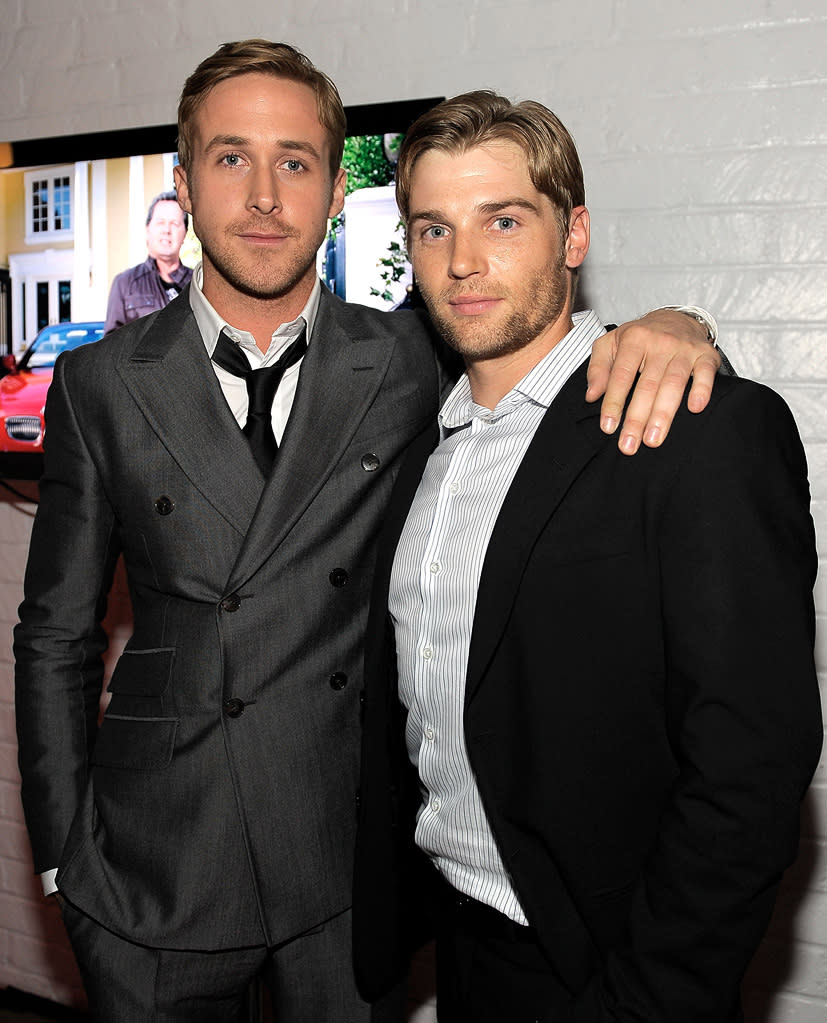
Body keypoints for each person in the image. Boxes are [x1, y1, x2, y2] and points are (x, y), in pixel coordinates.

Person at [15, 40, 720, 1023]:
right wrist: (61, 865)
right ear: (183, 181)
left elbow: (536, 338)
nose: (264, 197)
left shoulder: (407, 355)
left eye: (295, 162)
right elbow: (55, 638)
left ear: (337, 196)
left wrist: (676, 321)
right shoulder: (99, 383)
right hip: (152, 867)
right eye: (230, 158)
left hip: (342, 868)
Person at [352, 91, 822, 1022]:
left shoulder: (696, 429)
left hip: (604, 970)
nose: (465, 262)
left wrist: (654, 996)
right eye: (434, 229)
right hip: (458, 947)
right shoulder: (425, 448)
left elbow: (749, 767)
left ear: (574, 236)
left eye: (503, 220)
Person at [104, 190, 192, 334]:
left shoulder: (200, 284)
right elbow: (111, 346)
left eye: (175, 223)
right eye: (160, 222)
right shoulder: (125, 284)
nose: (166, 230)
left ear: (185, 233)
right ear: (147, 230)